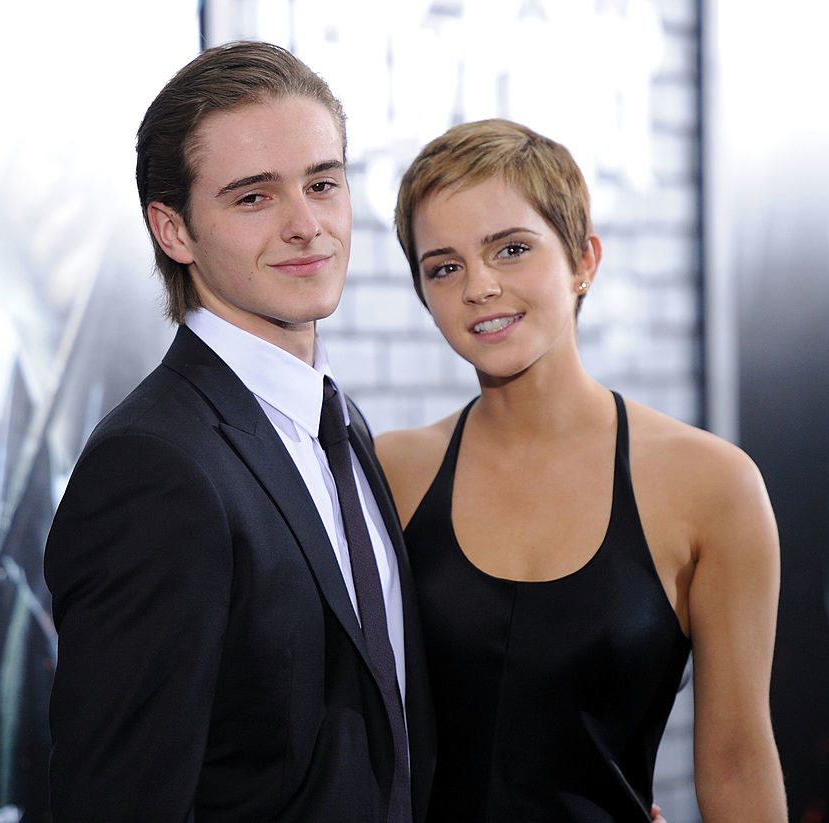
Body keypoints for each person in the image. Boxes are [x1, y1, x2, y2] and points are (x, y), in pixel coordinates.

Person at [43, 41, 435, 822]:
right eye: (254, 197)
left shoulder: (340, 422)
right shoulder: (152, 466)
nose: (307, 225)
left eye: (323, 183)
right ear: (175, 231)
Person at [376, 119, 788, 821]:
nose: (479, 286)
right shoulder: (389, 472)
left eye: (510, 249)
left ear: (583, 261)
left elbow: (738, 766)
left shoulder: (714, 487)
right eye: (443, 266)